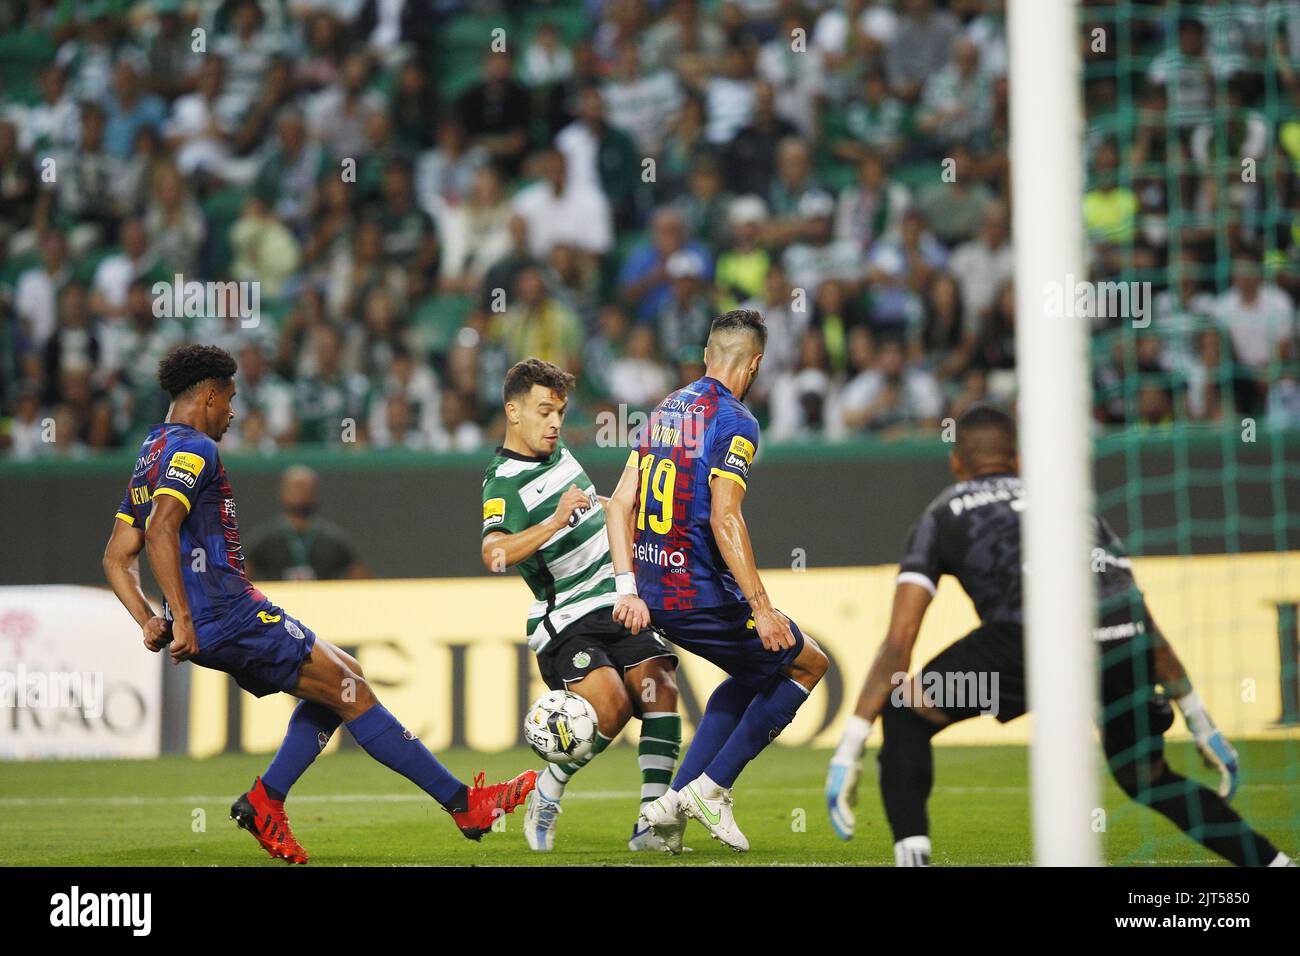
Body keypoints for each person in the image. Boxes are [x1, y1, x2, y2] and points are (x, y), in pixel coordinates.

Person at [101, 345, 535, 864]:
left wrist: (152, 618)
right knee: (354, 693)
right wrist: (183, 618)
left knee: (343, 679)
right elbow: (161, 533)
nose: (233, 412)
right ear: (210, 394)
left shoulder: (151, 448)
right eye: (231, 399)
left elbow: (115, 555)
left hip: (218, 615)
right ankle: (466, 806)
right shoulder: (195, 448)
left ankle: (267, 801)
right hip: (227, 614)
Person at [824, 404, 1294, 868]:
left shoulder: (943, 511)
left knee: (906, 709)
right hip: (1118, 642)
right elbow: (1140, 617)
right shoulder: (1073, 508)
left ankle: (913, 862)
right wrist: (1199, 720)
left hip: (1024, 650)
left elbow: (898, 643)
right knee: (1146, 778)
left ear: (956, 463)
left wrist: (851, 744)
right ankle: (1275, 865)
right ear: (1019, 460)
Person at [604, 309, 829, 853]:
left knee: (753, 674)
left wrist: (627, 587)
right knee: (807, 662)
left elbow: (619, 505)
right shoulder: (736, 422)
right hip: (695, 590)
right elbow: (724, 516)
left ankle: (663, 816)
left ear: (707, 356)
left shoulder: (665, 409)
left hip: (654, 589)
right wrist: (761, 605)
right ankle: (711, 788)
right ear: (755, 365)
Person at [480, 358, 683, 852]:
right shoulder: (502, 480)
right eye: (544, 411)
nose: (554, 423)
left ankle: (650, 826)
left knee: (661, 687)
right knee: (609, 707)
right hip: (567, 617)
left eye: (560, 412)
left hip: (616, 599)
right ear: (513, 412)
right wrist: (553, 521)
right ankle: (548, 790)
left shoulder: (558, 451)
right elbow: (495, 553)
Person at [246, 465, 369, 581]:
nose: (300, 493)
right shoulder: (265, 538)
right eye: (295, 487)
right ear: (283, 492)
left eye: (305, 488)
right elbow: (237, 579)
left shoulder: (332, 539)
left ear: (315, 493)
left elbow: (362, 580)